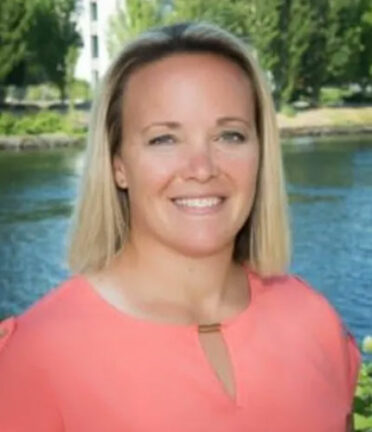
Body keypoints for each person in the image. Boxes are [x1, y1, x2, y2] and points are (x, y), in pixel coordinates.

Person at [0, 22, 360, 431]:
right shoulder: (38, 355)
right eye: (164, 140)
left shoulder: (314, 321)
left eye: (230, 135)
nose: (202, 168)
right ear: (118, 164)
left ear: (261, 150)